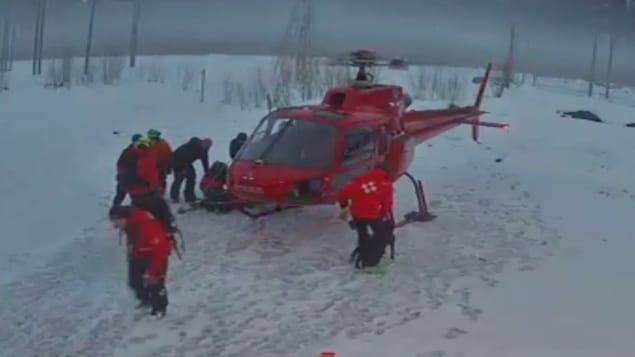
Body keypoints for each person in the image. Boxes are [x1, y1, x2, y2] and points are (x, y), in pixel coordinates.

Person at [109, 205, 172, 317]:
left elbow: (159, 252)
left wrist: (153, 273)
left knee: (156, 282)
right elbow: (132, 236)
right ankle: (146, 299)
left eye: (116, 221)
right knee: (134, 281)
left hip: (155, 253)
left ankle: (159, 308)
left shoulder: (147, 228)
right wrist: (131, 248)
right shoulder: (131, 223)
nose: (115, 225)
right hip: (139, 252)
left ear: (123, 218)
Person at [337, 162, 394, 269]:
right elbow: (387, 203)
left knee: (362, 234)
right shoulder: (386, 184)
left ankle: (362, 253)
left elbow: (343, 192)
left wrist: (343, 204)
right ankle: (370, 262)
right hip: (373, 214)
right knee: (381, 235)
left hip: (357, 214)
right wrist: (383, 214)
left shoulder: (361, 179)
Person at [121, 136, 177, 233]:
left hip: (133, 189)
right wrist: (152, 186)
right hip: (144, 189)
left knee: (141, 208)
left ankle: (140, 229)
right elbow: (149, 175)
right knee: (160, 207)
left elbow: (120, 169)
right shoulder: (142, 158)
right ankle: (166, 229)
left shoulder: (128, 154)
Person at [170, 137, 212, 203]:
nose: (207, 148)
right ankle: (174, 197)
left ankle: (190, 197)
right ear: (202, 142)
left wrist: (207, 172)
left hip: (187, 162)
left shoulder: (204, 150)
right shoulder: (192, 146)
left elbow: (205, 161)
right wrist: (183, 169)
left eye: (208, 147)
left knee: (192, 178)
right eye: (206, 146)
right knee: (179, 178)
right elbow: (183, 156)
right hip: (177, 161)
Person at [112, 133, 142, 207]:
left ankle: (136, 211)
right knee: (120, 195)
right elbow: (120, 164)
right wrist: (122, 174)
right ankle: (115, 209)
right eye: (137, 141)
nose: (138, 143)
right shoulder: (127, 152)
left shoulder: (145, 152)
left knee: (136, 197)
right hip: (126, 179)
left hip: (136, 180)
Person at [146, 129, 173, 194]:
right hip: (149, 166)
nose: (152, 138)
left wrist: (168, 165)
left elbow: (168, 154)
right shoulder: (145, 143)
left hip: (161, 165)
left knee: (161, 180)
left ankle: (160, 193)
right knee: (149, 181)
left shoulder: (163, 143)